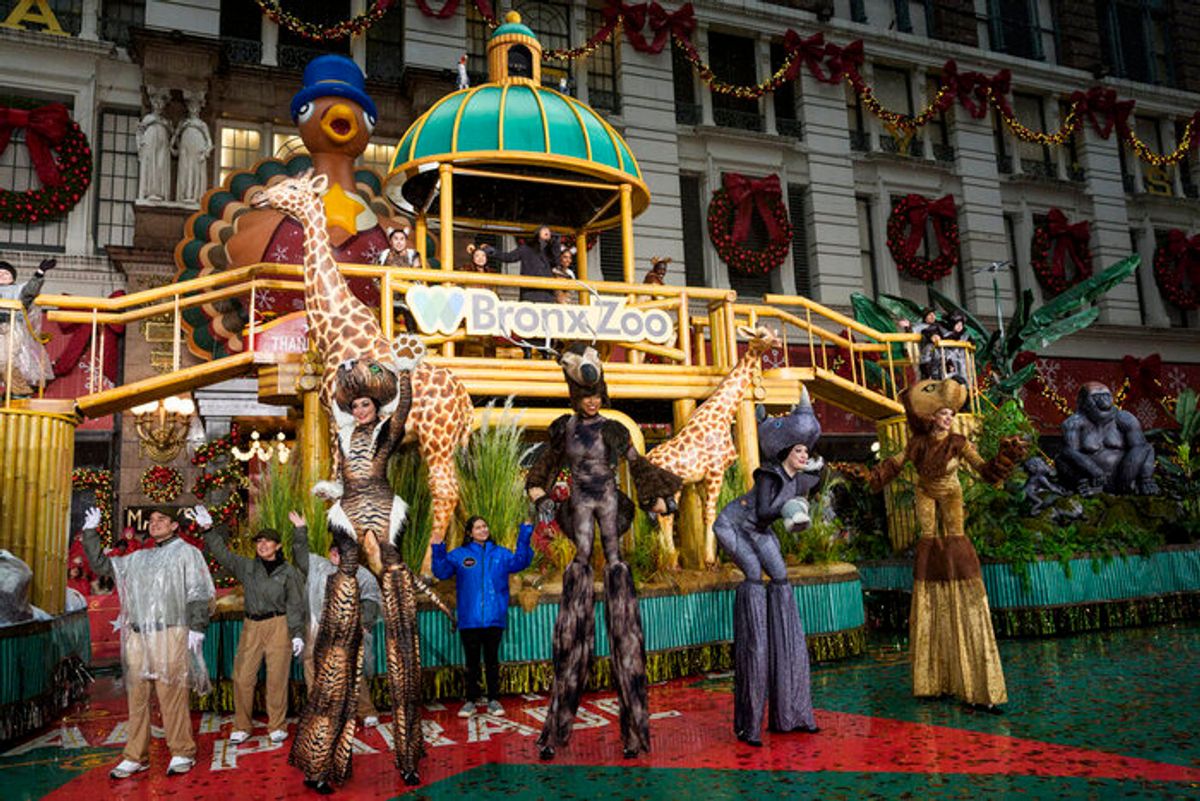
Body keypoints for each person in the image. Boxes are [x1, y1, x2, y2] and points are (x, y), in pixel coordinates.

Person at [295, 358, 453, 788]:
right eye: (357, 405)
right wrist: (333, 491)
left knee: (399, 609)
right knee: (338, 618)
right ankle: (325, 757)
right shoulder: (343, 434)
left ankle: (406, 755)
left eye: (367, 403)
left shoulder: (387, 428)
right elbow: (342, 474)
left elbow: (402, 414)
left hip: (381, 507)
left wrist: (404, 375)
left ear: (374, 404)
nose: (362, 410)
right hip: (349, 507)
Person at [525, 344, 682, 760]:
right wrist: (538, 492)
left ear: (603, 395)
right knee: (581, 561)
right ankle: (556, 728)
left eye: (596, 396)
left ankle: (633, 731)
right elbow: (542, 465)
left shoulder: (615, 429)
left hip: (608, 497)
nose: (591, 402)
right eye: (584, 397)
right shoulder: (564, 428)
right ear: (575, 398)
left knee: (614, 562)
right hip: (578, 497)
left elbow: (637, 465)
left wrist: (656, 499)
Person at [862, 378, 1025, 712]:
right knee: (929, 550)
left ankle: (975, 681)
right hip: (925, 495)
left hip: (951, 495)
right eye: (944, 413)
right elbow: (893, 465)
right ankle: (931, 679)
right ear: (931, 417)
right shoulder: (917, 444)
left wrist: (1004, 458)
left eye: (952, 413)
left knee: (956, 548)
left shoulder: (958, 443)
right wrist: (870, 477)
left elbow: (984, 470)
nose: (949, 418)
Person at [713, 392, 823, 746]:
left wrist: (811, 475)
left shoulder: (799, 478)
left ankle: (791, 711)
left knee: (782, 580)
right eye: (798, 451)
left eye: (806, 451)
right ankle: (750, 723)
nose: (803, 455)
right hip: (734, 525)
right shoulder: (768, 476)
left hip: (758, 531)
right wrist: (789, 504)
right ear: (786, 453)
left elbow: (812, 484)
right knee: (754, 580)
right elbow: (761, 512)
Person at [81, 504, 214, 779]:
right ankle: (134, 755)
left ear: (175, 525)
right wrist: (90, 532)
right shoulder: (139, 557)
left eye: (161, 519)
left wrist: (197, 626)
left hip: (170, 630)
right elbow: (103, 565)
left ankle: (182, 751)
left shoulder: (188, 554)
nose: (154, 524)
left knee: (171, 692)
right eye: (151, 520)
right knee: (137, 695)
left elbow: (199, 591)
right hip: (138, 634)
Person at [202, 522, 306, 745]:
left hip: (279, 624)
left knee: (277, 678)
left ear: (277, 546)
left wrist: (297, 633)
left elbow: (295, 604)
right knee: (242, 677)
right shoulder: (247, 567)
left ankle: (277, 725)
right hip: (252, 625)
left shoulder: (289, 572)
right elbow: (223, 555)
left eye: (267, 541)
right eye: (259, 541)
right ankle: (242, 725)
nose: (262, 545)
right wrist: (209, 530)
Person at [432, 516, 534, 718]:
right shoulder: (460, 555)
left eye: (485, 526)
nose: (483, 530)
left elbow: (521, 561)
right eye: (478, 527)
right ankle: (470, 701)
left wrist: (525, 533)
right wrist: (437, 548)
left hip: (494, 617)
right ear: (470, 532)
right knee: (471, 663)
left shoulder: (501, 554)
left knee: (491, 661)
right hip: (469, 618)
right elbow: (441, 572)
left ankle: (494, 700)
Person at [288, 509, 382, 728]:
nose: (341, 557)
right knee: (313, 667)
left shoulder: (362, 574)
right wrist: (300, 531)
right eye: (337, 553)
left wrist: (366, 623)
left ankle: (366, 710)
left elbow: (371, 598)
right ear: (331, 553)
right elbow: (299, 553)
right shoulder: (318, 566)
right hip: (318, 626)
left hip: (347, 627)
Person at [0, 258, 55, 398]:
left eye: (5, 273)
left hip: (12, 325)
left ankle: (20, 391)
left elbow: (31, 290)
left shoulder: (18, 290)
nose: (1, 275)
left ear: (12, 276)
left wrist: (40, 272)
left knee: (8, 359)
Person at [492, 225, 560, 304]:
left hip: (547, 293)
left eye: (548, 231)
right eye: (544, 230)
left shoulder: (550, 250)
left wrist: (555, 243)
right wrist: (492, 252)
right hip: (530, 293)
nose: (547, 232)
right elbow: (508, 257)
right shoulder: (526, 249)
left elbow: (556, 262)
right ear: (537, 233)